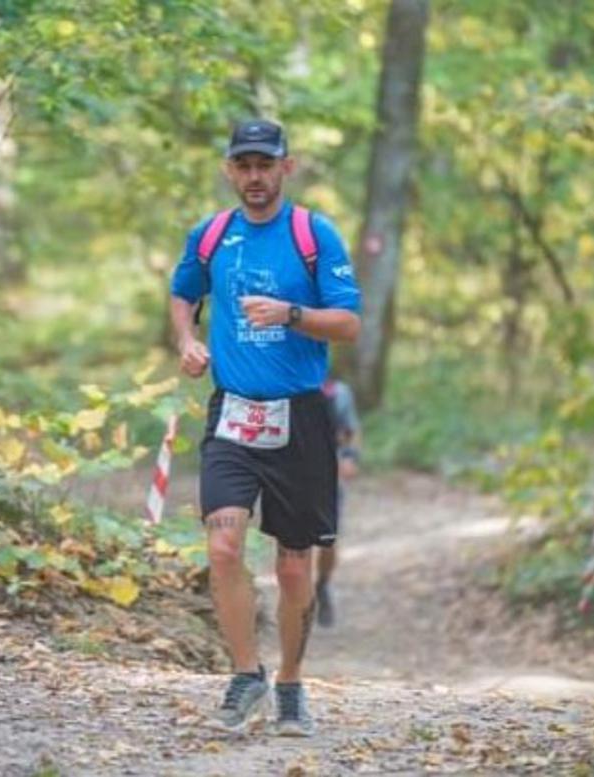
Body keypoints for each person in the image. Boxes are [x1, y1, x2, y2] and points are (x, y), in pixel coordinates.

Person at [169, 118, 362, 737]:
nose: (254, 177)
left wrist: (293, 313)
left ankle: (291, 685)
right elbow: (182, 293)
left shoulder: (313, 234)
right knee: (223, 545)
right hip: (231, 411)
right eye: (243, 165)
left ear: (287, 166)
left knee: (293, 568)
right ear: (230, 170)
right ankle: (245, 675)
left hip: (299, 417)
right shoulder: (212, 235)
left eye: (265, 164)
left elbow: (349, 324)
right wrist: (187, 340)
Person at [316, 377, 361, 627]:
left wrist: (350, 457)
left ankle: (322, 584)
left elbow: (352, 431)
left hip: (328, 469)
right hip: (291, 469)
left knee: (327, 538)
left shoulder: (337, 392)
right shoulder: (281, 380)